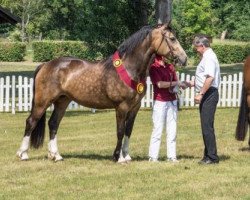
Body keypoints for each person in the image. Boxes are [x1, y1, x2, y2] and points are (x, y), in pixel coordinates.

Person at [148, 55, 187, 163]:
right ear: (160, 56)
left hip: (172, 100)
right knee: (158, 129)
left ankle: (172, 156)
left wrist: (180, 86)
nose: (169, 57)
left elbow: (175, 82)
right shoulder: (153, 67)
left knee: (172, 130)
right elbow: (160, 84)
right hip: (160, 101)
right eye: (166, 56)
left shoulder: (170, 67)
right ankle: (153, 156)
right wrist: (176, 83)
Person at [188, 35, 220, 165]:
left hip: (209, 94)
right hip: (208, 93)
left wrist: (200, 93)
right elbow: (203, 77)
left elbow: (210, 78)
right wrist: (191, 83)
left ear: (202, 46)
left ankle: (212, 157)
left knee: (207, 126)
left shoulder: (209, 58)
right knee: (205, 125)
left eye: (197, 47)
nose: (196, 49)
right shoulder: (207, 57)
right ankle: (207, 155)